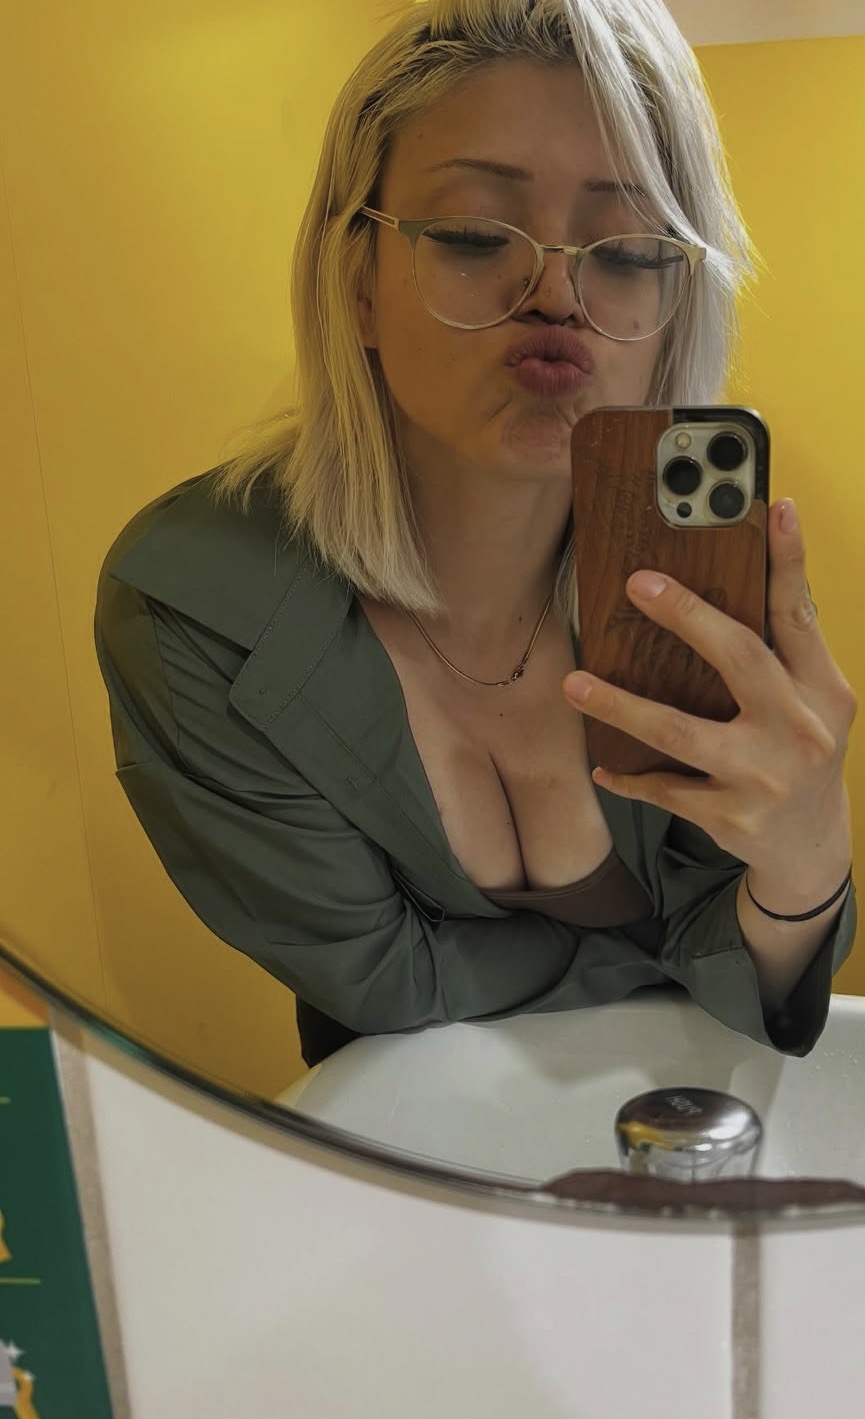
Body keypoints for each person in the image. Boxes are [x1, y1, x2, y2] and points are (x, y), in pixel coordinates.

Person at [94, 0, 857, 1070]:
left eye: (629, 250)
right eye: (471, 235)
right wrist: (695, 951)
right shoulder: (190, 608)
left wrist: (809, 861)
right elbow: (383, 984)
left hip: (693, 1125)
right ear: (357, 280)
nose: (557, 291)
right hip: (394, 1146)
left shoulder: (698, 568)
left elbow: (772, 985)